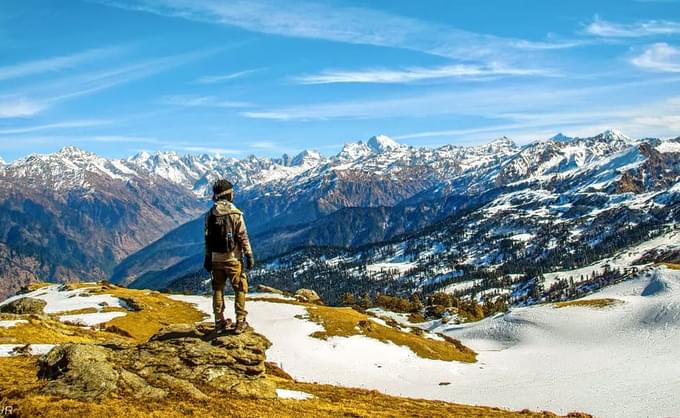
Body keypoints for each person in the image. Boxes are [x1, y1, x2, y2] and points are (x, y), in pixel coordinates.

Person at [204, 179, 255, 334]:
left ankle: (219, 321)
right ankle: (240, 321)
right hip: (233, 258)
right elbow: (242, 236)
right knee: (240, 287)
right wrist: (249, 254)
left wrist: (208, 257)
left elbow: (207, 238)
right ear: (228, 194)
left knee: (218, 289)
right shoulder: (235, 213)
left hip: (215, 258)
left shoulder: (210, 214)